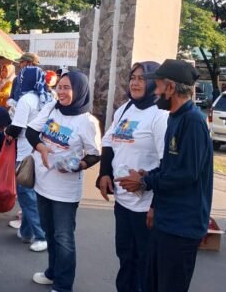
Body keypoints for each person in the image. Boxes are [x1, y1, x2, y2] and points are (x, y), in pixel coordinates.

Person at [115, 59, 213, 292]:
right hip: (166, 221)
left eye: (157, 86)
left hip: (183, 225)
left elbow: (186, 174)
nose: (155, 92)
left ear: (170, 88)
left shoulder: (193, 121)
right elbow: (169, 166)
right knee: (151, 282)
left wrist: (145, 181)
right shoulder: (175, 117)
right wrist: (148, 174)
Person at [26, 71, 102, 292]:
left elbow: (95, 153)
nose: (61, 91)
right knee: (49, 232)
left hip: (65, 191)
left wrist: (78, 165)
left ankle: (63, 284)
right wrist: (42, 149)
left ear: (79, 91)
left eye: (67, 87)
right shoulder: (51, 108)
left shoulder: (87, 122)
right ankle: (52, 272)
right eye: (59, 86)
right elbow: (31, 131)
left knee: (63, 238)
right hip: (42, 183)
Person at [97, 62, 168, 292]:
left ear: (154, 83)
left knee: (144, 262)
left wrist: (155, 205)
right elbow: (108, 141)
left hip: (146, 206)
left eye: (142, 78)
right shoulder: (125, 108)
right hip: (123, 201)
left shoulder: (160, 116)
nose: (135, 82)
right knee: (125, 255)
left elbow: (167, 163)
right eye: (133, 77)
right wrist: (104, 173)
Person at [5, 66, 53, 253]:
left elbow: (17, 127)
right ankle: (26, 232)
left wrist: (7, 132)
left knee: (26, 194)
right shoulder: (48, 98)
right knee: (33, 192)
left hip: (26, 152)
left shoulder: (25, 100)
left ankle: (41, 236)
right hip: (41, 152)